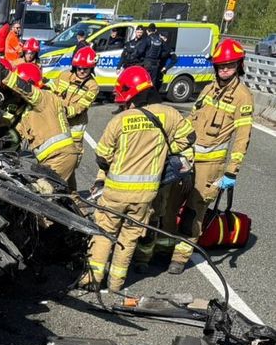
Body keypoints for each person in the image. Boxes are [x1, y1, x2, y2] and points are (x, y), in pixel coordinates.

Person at [79, 66, 195, 292]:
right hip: (145, 194)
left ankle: (93, 280)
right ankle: (116, 284)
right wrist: (163, 150)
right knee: (129, 238)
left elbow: (102, 155)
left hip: (115, 192)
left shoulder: (120, 120)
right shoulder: (169, 114)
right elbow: (189, 137)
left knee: (104, 234)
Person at [162, 38, 253, 274]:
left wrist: (232, 171)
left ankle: (180, 257)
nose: (225, 70)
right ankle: (164, 247)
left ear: (239, 66)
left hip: (209, 165)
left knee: (194, 212)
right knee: (170, 205)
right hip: (187, 158)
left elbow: (242, 137)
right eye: (221, 65)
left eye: (230, 65)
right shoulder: (208, 88)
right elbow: (190, 120)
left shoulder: (243, 96)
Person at [2, 62, 80, 184]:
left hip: (58, 158)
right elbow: (16, 134)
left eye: (15, 91)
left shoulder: (44, 98)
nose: (14, 93)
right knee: (64, 196)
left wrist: (2, 72)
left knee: (40, 196)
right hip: (53, 159)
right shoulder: (28, 110)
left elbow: (25, 89)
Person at [50, 46, 100, 190]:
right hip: (58, 124)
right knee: (56, 160)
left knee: (70, 163)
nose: (82, 71)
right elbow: (49, 89)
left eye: (86, 69)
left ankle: (72, 198)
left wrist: (62, 111)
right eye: (79, 68)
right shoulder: (64, 75)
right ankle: (69, 196)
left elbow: (81, 107)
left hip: (74, 128)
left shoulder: (93, 86)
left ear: (92, 68)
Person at [142, 23, 170, 90]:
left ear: (147, 31)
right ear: (155, 30)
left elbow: (141, 51)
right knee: (153, 80)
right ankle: (151, 96)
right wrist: (159, 55)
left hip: (147, 62)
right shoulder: (160, 40)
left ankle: (144, 96)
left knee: (145, 80)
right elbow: (167, 50)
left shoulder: (147, 39)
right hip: (156, 63)